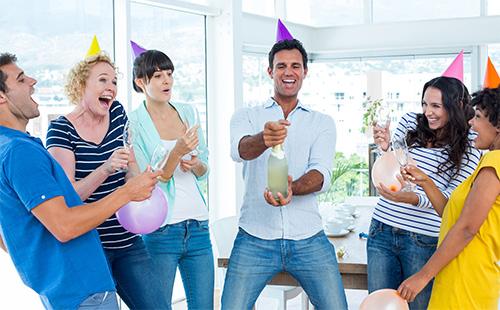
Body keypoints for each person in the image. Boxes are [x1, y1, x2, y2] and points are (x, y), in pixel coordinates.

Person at [0, 53, 160, 309]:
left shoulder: (10, 145)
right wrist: (127, 192)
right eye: (21, 79)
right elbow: (64, 227)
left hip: (65, 286)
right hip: (80, 287)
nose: (32, 80)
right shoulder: (19, 151)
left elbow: (9, 234)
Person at [221, 38, 347, 309]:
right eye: (281, 66)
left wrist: (294, 188)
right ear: (270, 72)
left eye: (295, 66)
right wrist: (264, 138)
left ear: (304, 72)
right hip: (254, 237)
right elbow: (239, 150)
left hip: (308, 238)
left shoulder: (321, 122)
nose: (288, 72)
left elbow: (322, 173)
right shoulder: (247, 116)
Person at [46, 52, 168, 309]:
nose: (111, 88)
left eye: (114, 82)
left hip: (127, 242)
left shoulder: (118, 114)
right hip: (89, 250)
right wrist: (105, 168)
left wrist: (141, 183)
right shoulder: (61, 129)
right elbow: (68, 197)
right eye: (103, 80)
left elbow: (130, 164)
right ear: (81, 86)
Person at [369, 76, 481, 309]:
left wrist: (413, 198)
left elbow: (450, 199)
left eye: (436, 106)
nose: (427, 112)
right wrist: (384, 149)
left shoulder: (471, 142)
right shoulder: (410, 121)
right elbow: (392, 168)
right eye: (424, 104)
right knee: (379, 305)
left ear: (457, 106)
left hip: (423, 239)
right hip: (382, 229)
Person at [397, 87, 500, 309]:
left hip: (467, 280)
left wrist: (422, 276)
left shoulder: (494, 163)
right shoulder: (488, 162)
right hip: (455, 274)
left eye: (479, 117)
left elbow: (466, 228)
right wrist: (425, 181)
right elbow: (453, 215)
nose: (471, 123)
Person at [129, 49, 213, 309]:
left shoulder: (188, 112)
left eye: (169, 74)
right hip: (161, 232)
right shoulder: (134, 123)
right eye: (157, 76)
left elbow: (205, 169)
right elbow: (150, 178)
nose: (167, 81)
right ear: (141, 82)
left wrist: (197, 163)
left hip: (199, 228)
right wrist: (176, 152)